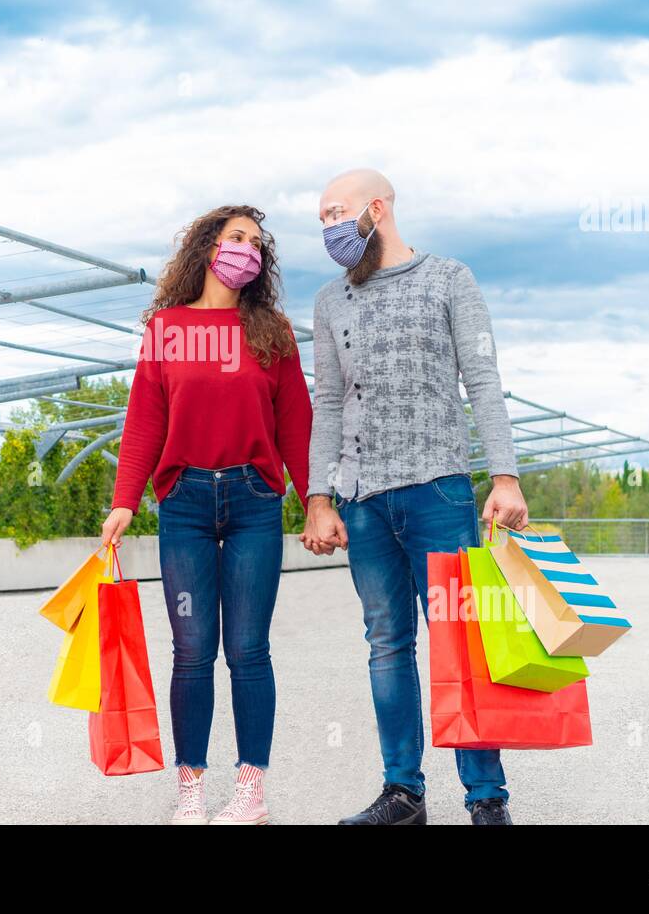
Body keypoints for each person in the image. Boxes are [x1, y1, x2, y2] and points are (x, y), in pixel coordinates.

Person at [302, 168, 529, 826]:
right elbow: (326, 404)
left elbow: (483, 380)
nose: (329, 229)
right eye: (320, 219)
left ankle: (487, 800)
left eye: (336, 213)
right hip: (363, 502)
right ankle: (403, 794)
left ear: (378, 208)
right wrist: (320, 496)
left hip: (439, 493)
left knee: (460, 644)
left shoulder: (449, 279)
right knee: (386, 646)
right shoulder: (330, 301)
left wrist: (505, 475)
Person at [101, 204, 312, 825]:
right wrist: (123, 501)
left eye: (255, 241)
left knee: (248, 649)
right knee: (191, 650)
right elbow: (145, 419)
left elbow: (295, 421)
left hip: (253, 501)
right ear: (207, 249)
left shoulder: (271, 331)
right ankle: (190, 786)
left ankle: (251, 791)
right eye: (234, 237)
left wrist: (316, 502)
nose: (245, 248)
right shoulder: (166, 328)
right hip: (185, 503)